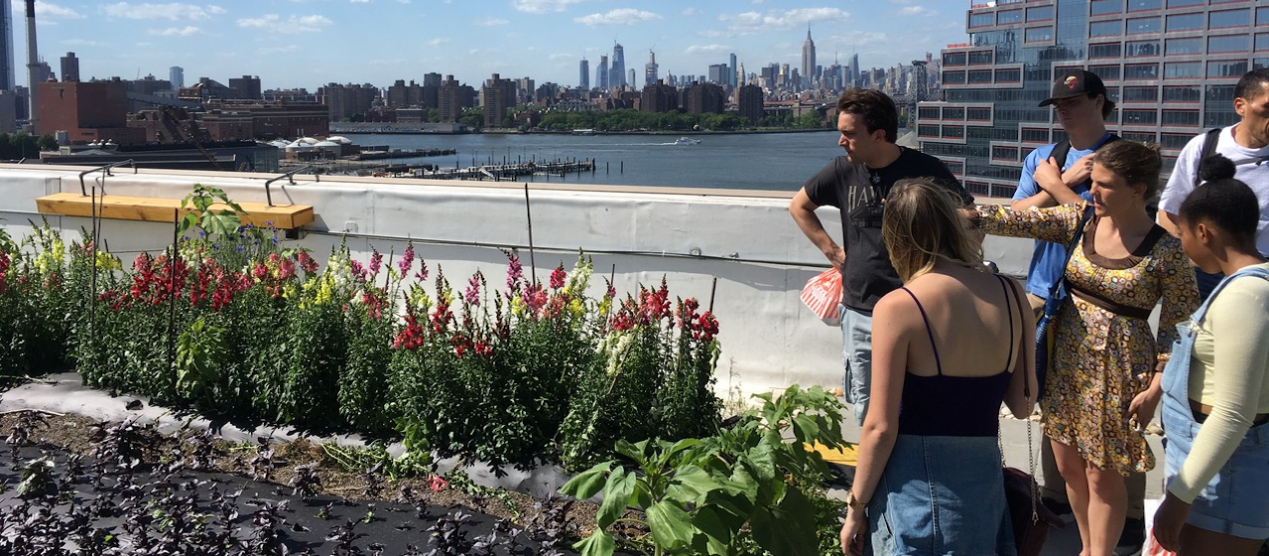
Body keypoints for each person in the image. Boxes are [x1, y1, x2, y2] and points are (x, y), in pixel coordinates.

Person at [973, 140, 1199, 556]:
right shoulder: (1079, 220)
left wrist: (1157, 385)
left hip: (1120, 369)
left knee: (1102, 473)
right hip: (1068, 364)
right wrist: (962, 215)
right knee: (1069, 467)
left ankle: (1100, 552)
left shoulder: (1165, 250)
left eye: (1103, 185)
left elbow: (1180, 325)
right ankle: (1088, 546)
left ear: (1138, 189)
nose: (1091, 192)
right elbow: (1013, 221)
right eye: (1092, 183)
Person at [840, 178, 1033, 556]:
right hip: (984, 486)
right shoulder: (1012, 293)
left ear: (896, 237)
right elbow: (1024, 404)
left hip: (918, 489)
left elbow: (880, 427)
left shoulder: (899, 306)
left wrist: (856, 508)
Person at [1012, 69, 1146, 555]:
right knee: (1052, 402)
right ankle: (1060, 499)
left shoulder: (1123, 160)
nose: (1064, 111)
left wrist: (1060, 191)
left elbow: (1127, 227)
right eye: (1058, 106)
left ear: (1099, 101)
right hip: (1047, 293)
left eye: (1072, 102)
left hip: (1106, 302)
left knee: (1114, 412)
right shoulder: (1043, 159)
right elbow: (1022, 219)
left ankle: (1129, 515)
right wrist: (1060, 182)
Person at [789, 89, 973, 425]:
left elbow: (970, 219)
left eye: (848, 134)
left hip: (919, 309)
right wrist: (833, 252)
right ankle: (879, 476)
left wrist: (945, 266)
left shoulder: (925, 170)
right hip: (860, 308)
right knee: (869, 410)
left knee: (919, 405)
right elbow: (799, 206)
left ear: (879, 135)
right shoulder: (842, 171)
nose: (841, 142)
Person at [1153, 155, 1269, 555]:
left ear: (1203, 232)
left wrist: (1179, 498)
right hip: (1213, 468)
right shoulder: (1242, 288)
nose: (1179, 241)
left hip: (1228, 478)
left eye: (1181, 232)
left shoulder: (1245, 295)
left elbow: (1235, 411)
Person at [1159, 68, 1269, 300]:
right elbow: (1169, 212)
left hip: (1263, 276)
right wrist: (1191, 261)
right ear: (1241, 106)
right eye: (1267, 108)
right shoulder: (1206, 146)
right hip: (1205, 275)